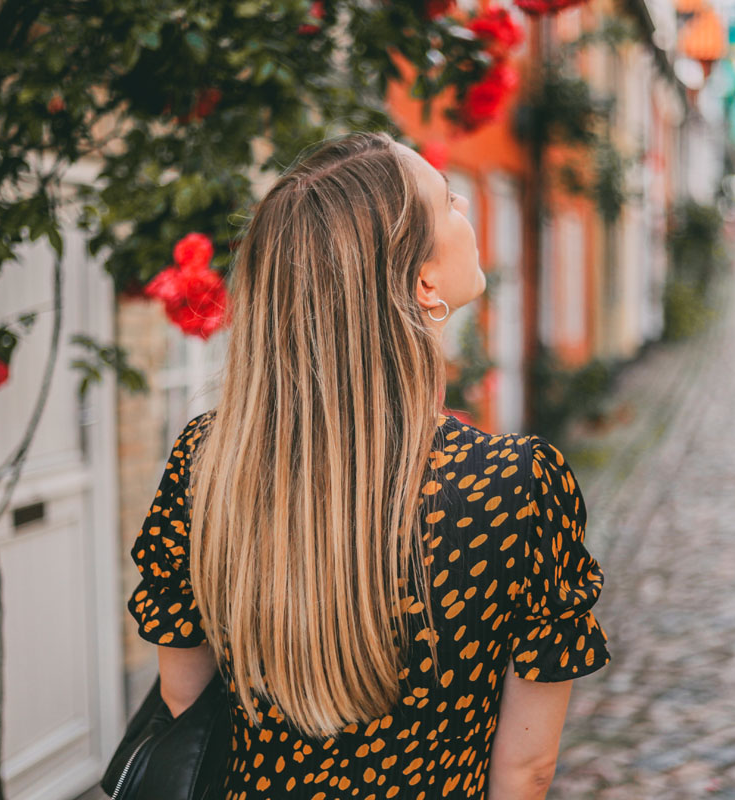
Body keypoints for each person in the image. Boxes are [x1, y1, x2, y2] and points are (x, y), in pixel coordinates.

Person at [126, 130, 609, 799]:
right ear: (424, 283)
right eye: (448, 201)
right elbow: (527, 769)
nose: (466, 205)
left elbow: (186, 707)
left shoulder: (207, 462)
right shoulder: (515, 487)